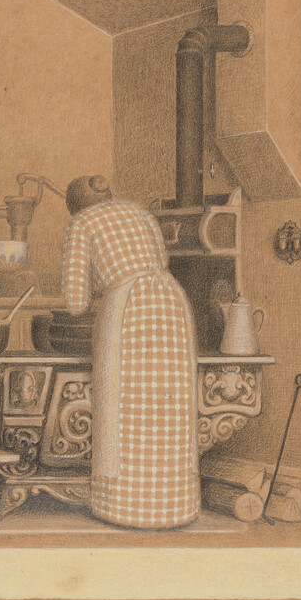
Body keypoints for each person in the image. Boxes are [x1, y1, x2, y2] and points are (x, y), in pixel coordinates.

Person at [59, 175, 199, 529]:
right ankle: (173, 506)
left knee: (124, 407)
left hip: (128, 309)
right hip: (172, 305)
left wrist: (97, 288)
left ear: (75, 206)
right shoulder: (140, 213)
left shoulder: (81, 223)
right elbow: (161, 264)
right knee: (169, 410)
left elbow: (75, 303)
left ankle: (125, 508)